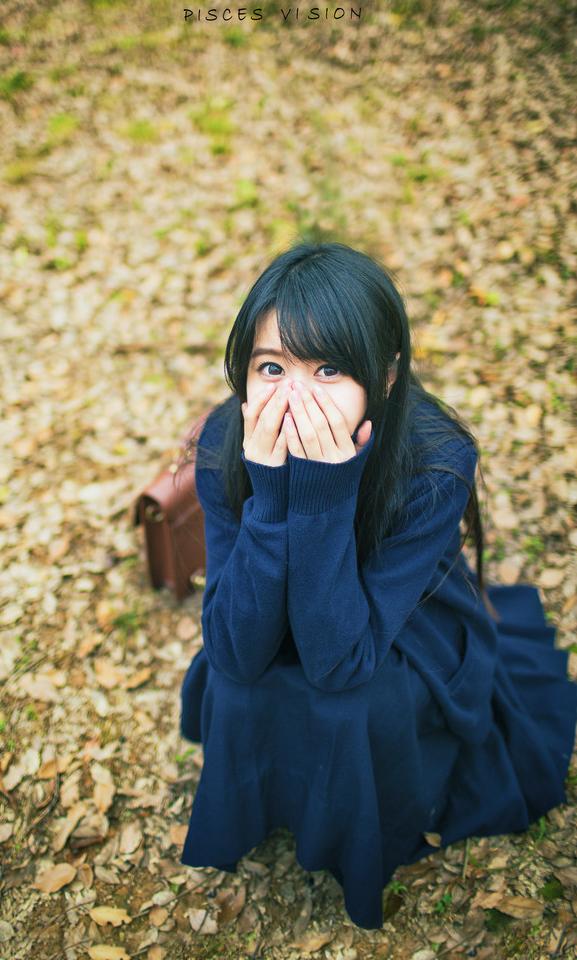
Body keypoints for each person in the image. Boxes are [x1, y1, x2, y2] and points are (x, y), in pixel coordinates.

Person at [179, 242, 576, 928]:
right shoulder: (226, 444)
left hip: (397, 619)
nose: (296, 395)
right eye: (272, 367)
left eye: (329, 368)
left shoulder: (435, 461)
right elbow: (236, 651)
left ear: (386, 378)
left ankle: (366, 814)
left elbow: (341, 662)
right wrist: (270, 495)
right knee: (241, 683)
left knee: (350, 705)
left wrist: (325, 494)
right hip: (264, 595)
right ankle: (267, 795)